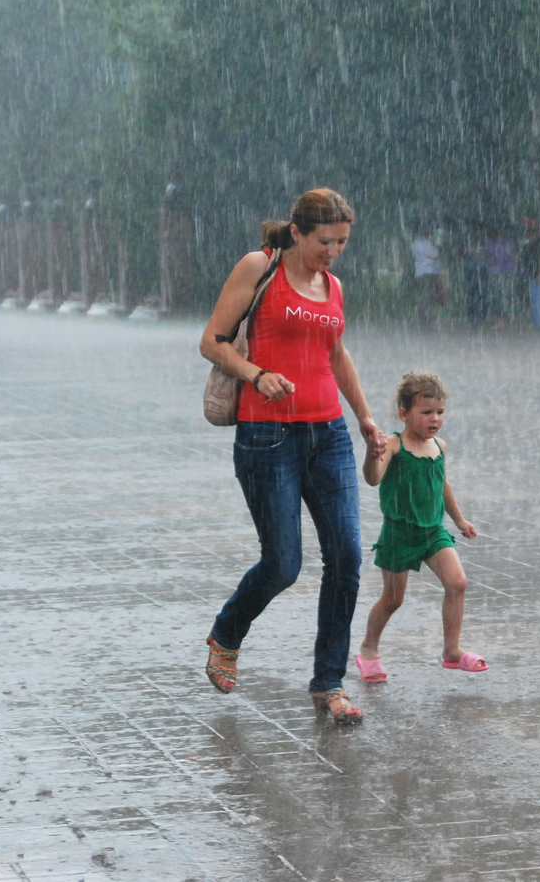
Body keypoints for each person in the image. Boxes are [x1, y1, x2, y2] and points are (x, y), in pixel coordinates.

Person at [199, 188, 385, 724]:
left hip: (328, 434)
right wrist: (256, 373)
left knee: (346, 558)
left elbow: (336, 353)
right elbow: (212, 341)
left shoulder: (334, 286)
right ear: (298, 232)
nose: (333, 251)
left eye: (343, 243)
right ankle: (227, 632)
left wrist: (364, 417)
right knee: (283, 564)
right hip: (267, 437)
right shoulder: (261, 267)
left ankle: (329, 682)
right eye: (325, 241)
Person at [355, 371, 486, 682]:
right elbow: (373, 479)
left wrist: (458, 520)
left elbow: (442, 485)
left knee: (457, 583)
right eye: (426, 412)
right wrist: (372, 456)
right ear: (404, 413)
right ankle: (368, 648)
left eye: (439, 412)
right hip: (399, 535)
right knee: (393, 599)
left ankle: (451, 650)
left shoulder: (438, 446)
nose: (435, 419)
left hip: (432, 532)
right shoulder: (394, 445)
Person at [412, 226, 444, 329]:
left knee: (423, 294)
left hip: (420, 272)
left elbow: (416, 257)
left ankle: (424, 318)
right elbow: (435, 254)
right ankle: (427, 319)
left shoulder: (414, 244)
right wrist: (438, 248)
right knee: (429, 296)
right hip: (429, 272)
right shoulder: (428, 243)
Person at [520, 226, 540, 331]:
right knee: (533, 300)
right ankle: (536, 321)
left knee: (539, 300)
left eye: (529, 233)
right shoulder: (528, 246)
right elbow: (523, 258)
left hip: (539, 276)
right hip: (531, 275)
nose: (527, 236)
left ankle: (539, 324)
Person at [486, 227, 517, 328]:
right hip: (505, 272)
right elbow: (511, 257)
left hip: (498, 272)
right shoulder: (507, 243)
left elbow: (493, 257)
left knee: (497, 297)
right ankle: (505, 320)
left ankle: (500, 321)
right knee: (505, 297)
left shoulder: (493, 244)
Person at [460, 229, 488, 328]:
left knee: (483, 296)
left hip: (481, 272)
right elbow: (460, 255)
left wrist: (475, 253)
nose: (476, 234)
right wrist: (466, 252)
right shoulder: (466, 243)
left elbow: (486, 258)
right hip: (469, 272)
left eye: (478, 232)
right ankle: (472, 320)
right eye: (475, 232)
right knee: (471, 296)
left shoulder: (484, 244)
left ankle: (482, 318)